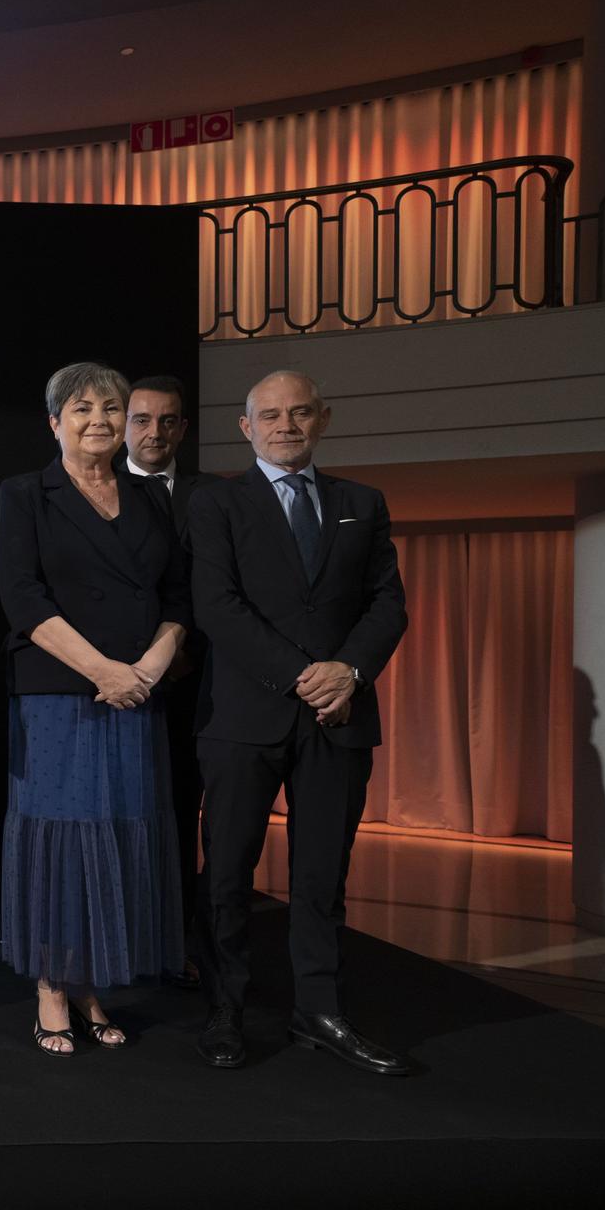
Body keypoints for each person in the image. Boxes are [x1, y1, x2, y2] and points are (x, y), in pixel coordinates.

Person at [189, 369, 411, 1074]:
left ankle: (320, 1011)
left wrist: (348, 670)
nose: (287, 425)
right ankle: (225, 1007)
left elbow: (388, 604)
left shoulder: (361, 502)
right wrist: (300, 675)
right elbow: (218, 606)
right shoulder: (215, 502)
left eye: (300, 413)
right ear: (246, 427)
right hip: (243, 719)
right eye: (271, 415)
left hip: (340, 718)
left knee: (322, 876)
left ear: (323, 419)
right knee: (226, 871)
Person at [0, 362, 190, 1057]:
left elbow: (177, 596)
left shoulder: (150, 499)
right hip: (57, 697)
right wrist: (104, 670)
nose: (100, 420)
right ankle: (53, 984)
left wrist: (148, 668)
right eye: (81, 409)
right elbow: (23, 600)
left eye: (112, 407)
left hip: (138, 693)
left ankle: (90, 983)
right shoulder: (26, 494)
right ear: (54, 422)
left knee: (117, 833)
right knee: (63, 840)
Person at [121, 373, 207, 987]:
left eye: (167, 421)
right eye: (142, 420)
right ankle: (118, 937)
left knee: (181, 816)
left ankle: (177, 942)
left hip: (192, 686)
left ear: (183, 428)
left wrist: (179, 649)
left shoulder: (213, 497)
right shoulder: (92, 487)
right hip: (114, 685)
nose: (155, 432)